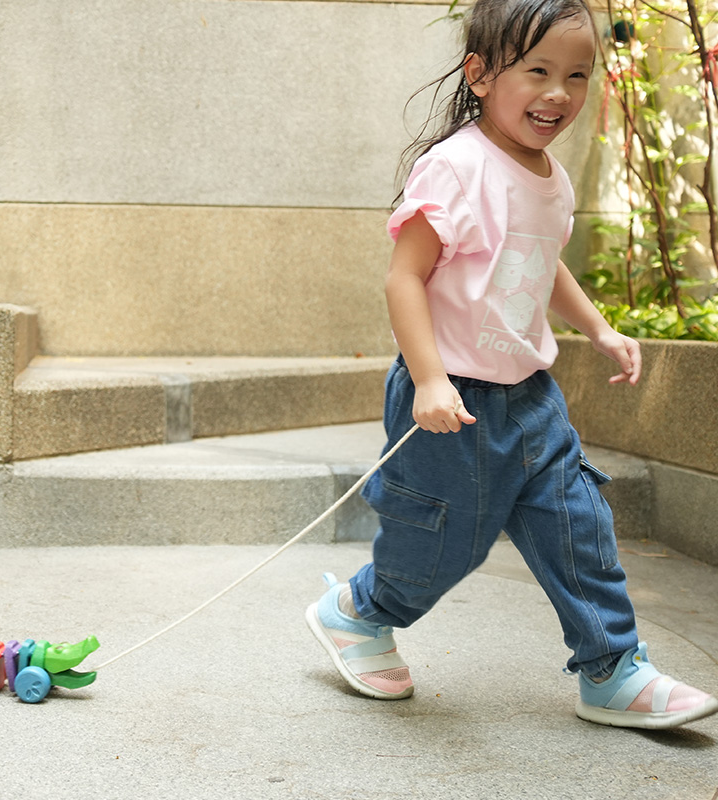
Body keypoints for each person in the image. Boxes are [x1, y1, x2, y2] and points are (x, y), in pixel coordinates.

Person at [306, 0, 718, 729]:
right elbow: (405, 278)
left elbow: (542, 260)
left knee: (578, 525)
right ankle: (359, 612)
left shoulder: (552, 178)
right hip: (449, 398)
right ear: (481, 74)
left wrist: (597, 326)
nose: (559, 92)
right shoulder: (456, 168)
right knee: (436, 548)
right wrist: (429, 377)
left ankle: (612, 669)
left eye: (577, 75)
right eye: (538, 72)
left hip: (530, 396)